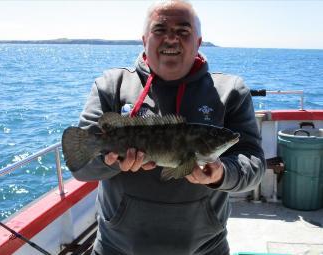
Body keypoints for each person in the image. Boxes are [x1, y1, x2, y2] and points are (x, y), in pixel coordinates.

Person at [71, 1, 265, 254]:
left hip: (205, 249)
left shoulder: (230, 92)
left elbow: (253, 161)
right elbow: (81, 168)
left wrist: (221, 174)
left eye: (183, 31)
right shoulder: (111, 85)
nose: (171, 39)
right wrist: (111, 162)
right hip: (117, 248)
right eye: (160, 30)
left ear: (198, 42)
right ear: (144, 40)